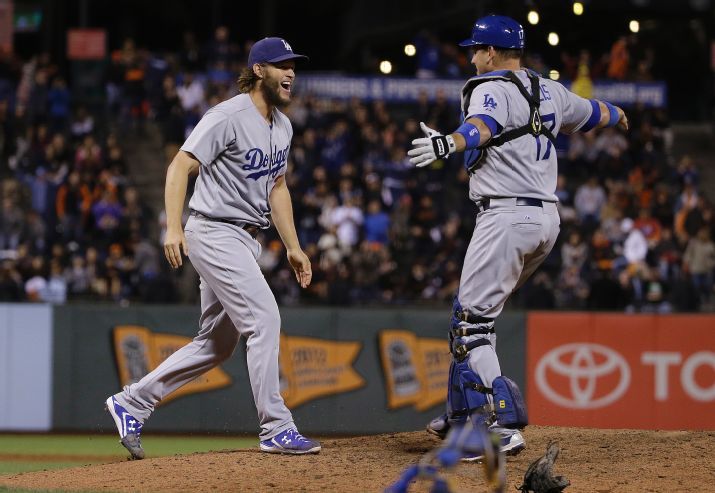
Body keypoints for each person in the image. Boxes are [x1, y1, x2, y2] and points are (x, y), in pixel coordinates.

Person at [408, 15, 628, 461]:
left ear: (491, 53)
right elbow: (595, 113)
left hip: (506, 216)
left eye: (476, 50)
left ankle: (500, 426)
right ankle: (459, 414)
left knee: (472, 328)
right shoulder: (550, 89)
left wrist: (449, 144)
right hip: (546, 221)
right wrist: (620, 114)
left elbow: (483, 125)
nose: (472, 57)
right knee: (469, 316)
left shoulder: (490, 85)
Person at [105, 37, 321, 459]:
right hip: (214, 231)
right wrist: (173, 227)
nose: (291, 72)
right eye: (282, 64)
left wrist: (293, 246)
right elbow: (180, 165)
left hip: (245, 237)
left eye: (294, 65)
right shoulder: (227, 115)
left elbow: (277, 187)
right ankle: (276, 426)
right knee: (263, 318)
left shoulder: (283, 125)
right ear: (259, 70)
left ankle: (131, 401)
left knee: (216, 344)